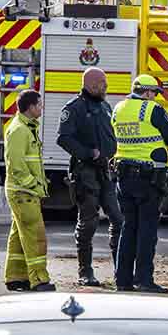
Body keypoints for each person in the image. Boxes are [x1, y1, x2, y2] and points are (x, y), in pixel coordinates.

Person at [111, 74, 168, 293]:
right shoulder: (152, 110)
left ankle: (123, 280)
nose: (155, 97)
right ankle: (144, 279)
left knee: (128, 228)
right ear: (148, 92)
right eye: (155, 93)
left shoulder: (118, 108)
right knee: (147, 230)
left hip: (124, 176)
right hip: (148, 177)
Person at [56, 68, 123, 287]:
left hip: (106, 172)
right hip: (85, 173)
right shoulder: (73, 108)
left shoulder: (105, 106)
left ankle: (120, 270)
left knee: (118, 219)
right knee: (88, 223)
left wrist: (111, 154)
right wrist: (87, 153)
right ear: (91, 85)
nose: (106, 87)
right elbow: (63, 139)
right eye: (103, 83)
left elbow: (110, 136)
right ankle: (85, 272)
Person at [3, 91, 54, 292]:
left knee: (19, 235)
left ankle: (16, 277)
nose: (41, 108)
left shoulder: (26, 128)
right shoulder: (19, 130)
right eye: (39, 105)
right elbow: (15, 163)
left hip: (24, 192)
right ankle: (39, 280)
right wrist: (33, 184)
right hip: (23, 193)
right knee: (35, 236)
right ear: (30, 107)